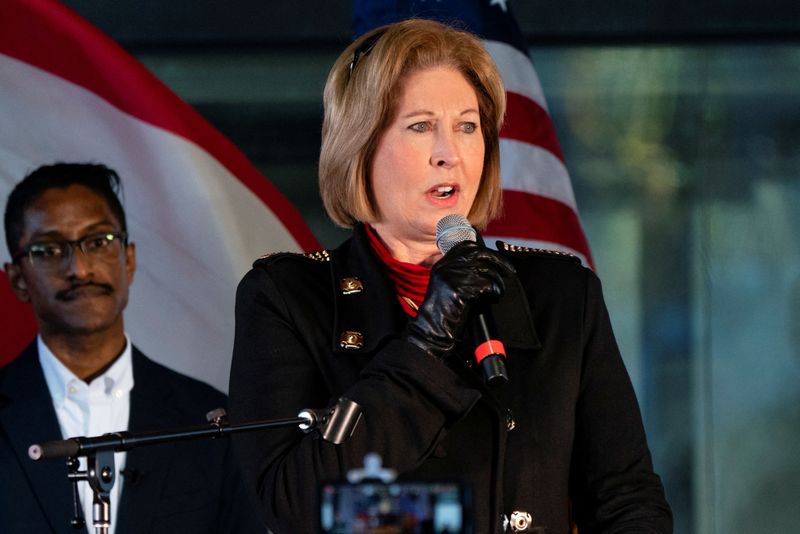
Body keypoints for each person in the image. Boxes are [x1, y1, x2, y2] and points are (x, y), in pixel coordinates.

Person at [229, 18, 673, 534]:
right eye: (420, 126)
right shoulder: (287, 299)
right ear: (360, 145)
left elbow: (627, 502)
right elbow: (290, 508)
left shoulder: (562, 295)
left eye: (467, 126)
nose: (451, 153)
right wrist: (428, 338)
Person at [0, 163, 264, 534]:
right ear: (17, 279)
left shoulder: (210, 423)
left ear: (129, 259)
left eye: (98, 242)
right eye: (50, 249)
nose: (80, 268)